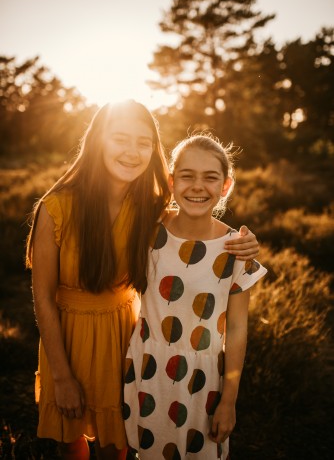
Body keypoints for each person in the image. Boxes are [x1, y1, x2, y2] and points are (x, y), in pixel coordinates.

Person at [26, 100, 260, 460]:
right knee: (70, 441)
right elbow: (42, 296)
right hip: (68, 339)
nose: (132, 152)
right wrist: (60, 376)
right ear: (98, 141)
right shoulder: (56, 206)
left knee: (116, 444)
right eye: (120, 138)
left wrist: (244, 241)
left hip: (126, 340)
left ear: (154, 149)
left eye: (143, 141)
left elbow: (194, 219)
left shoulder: (150, 208)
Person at [124, 133, 267, 460]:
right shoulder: (149, 227)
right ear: (172, 182)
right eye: (187, 176)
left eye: (210, 177)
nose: (198, 186)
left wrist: (228, 401)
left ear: (226, 186)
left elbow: (237, 330)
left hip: (202, 382)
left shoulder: (235, 248)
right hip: (147, 368)